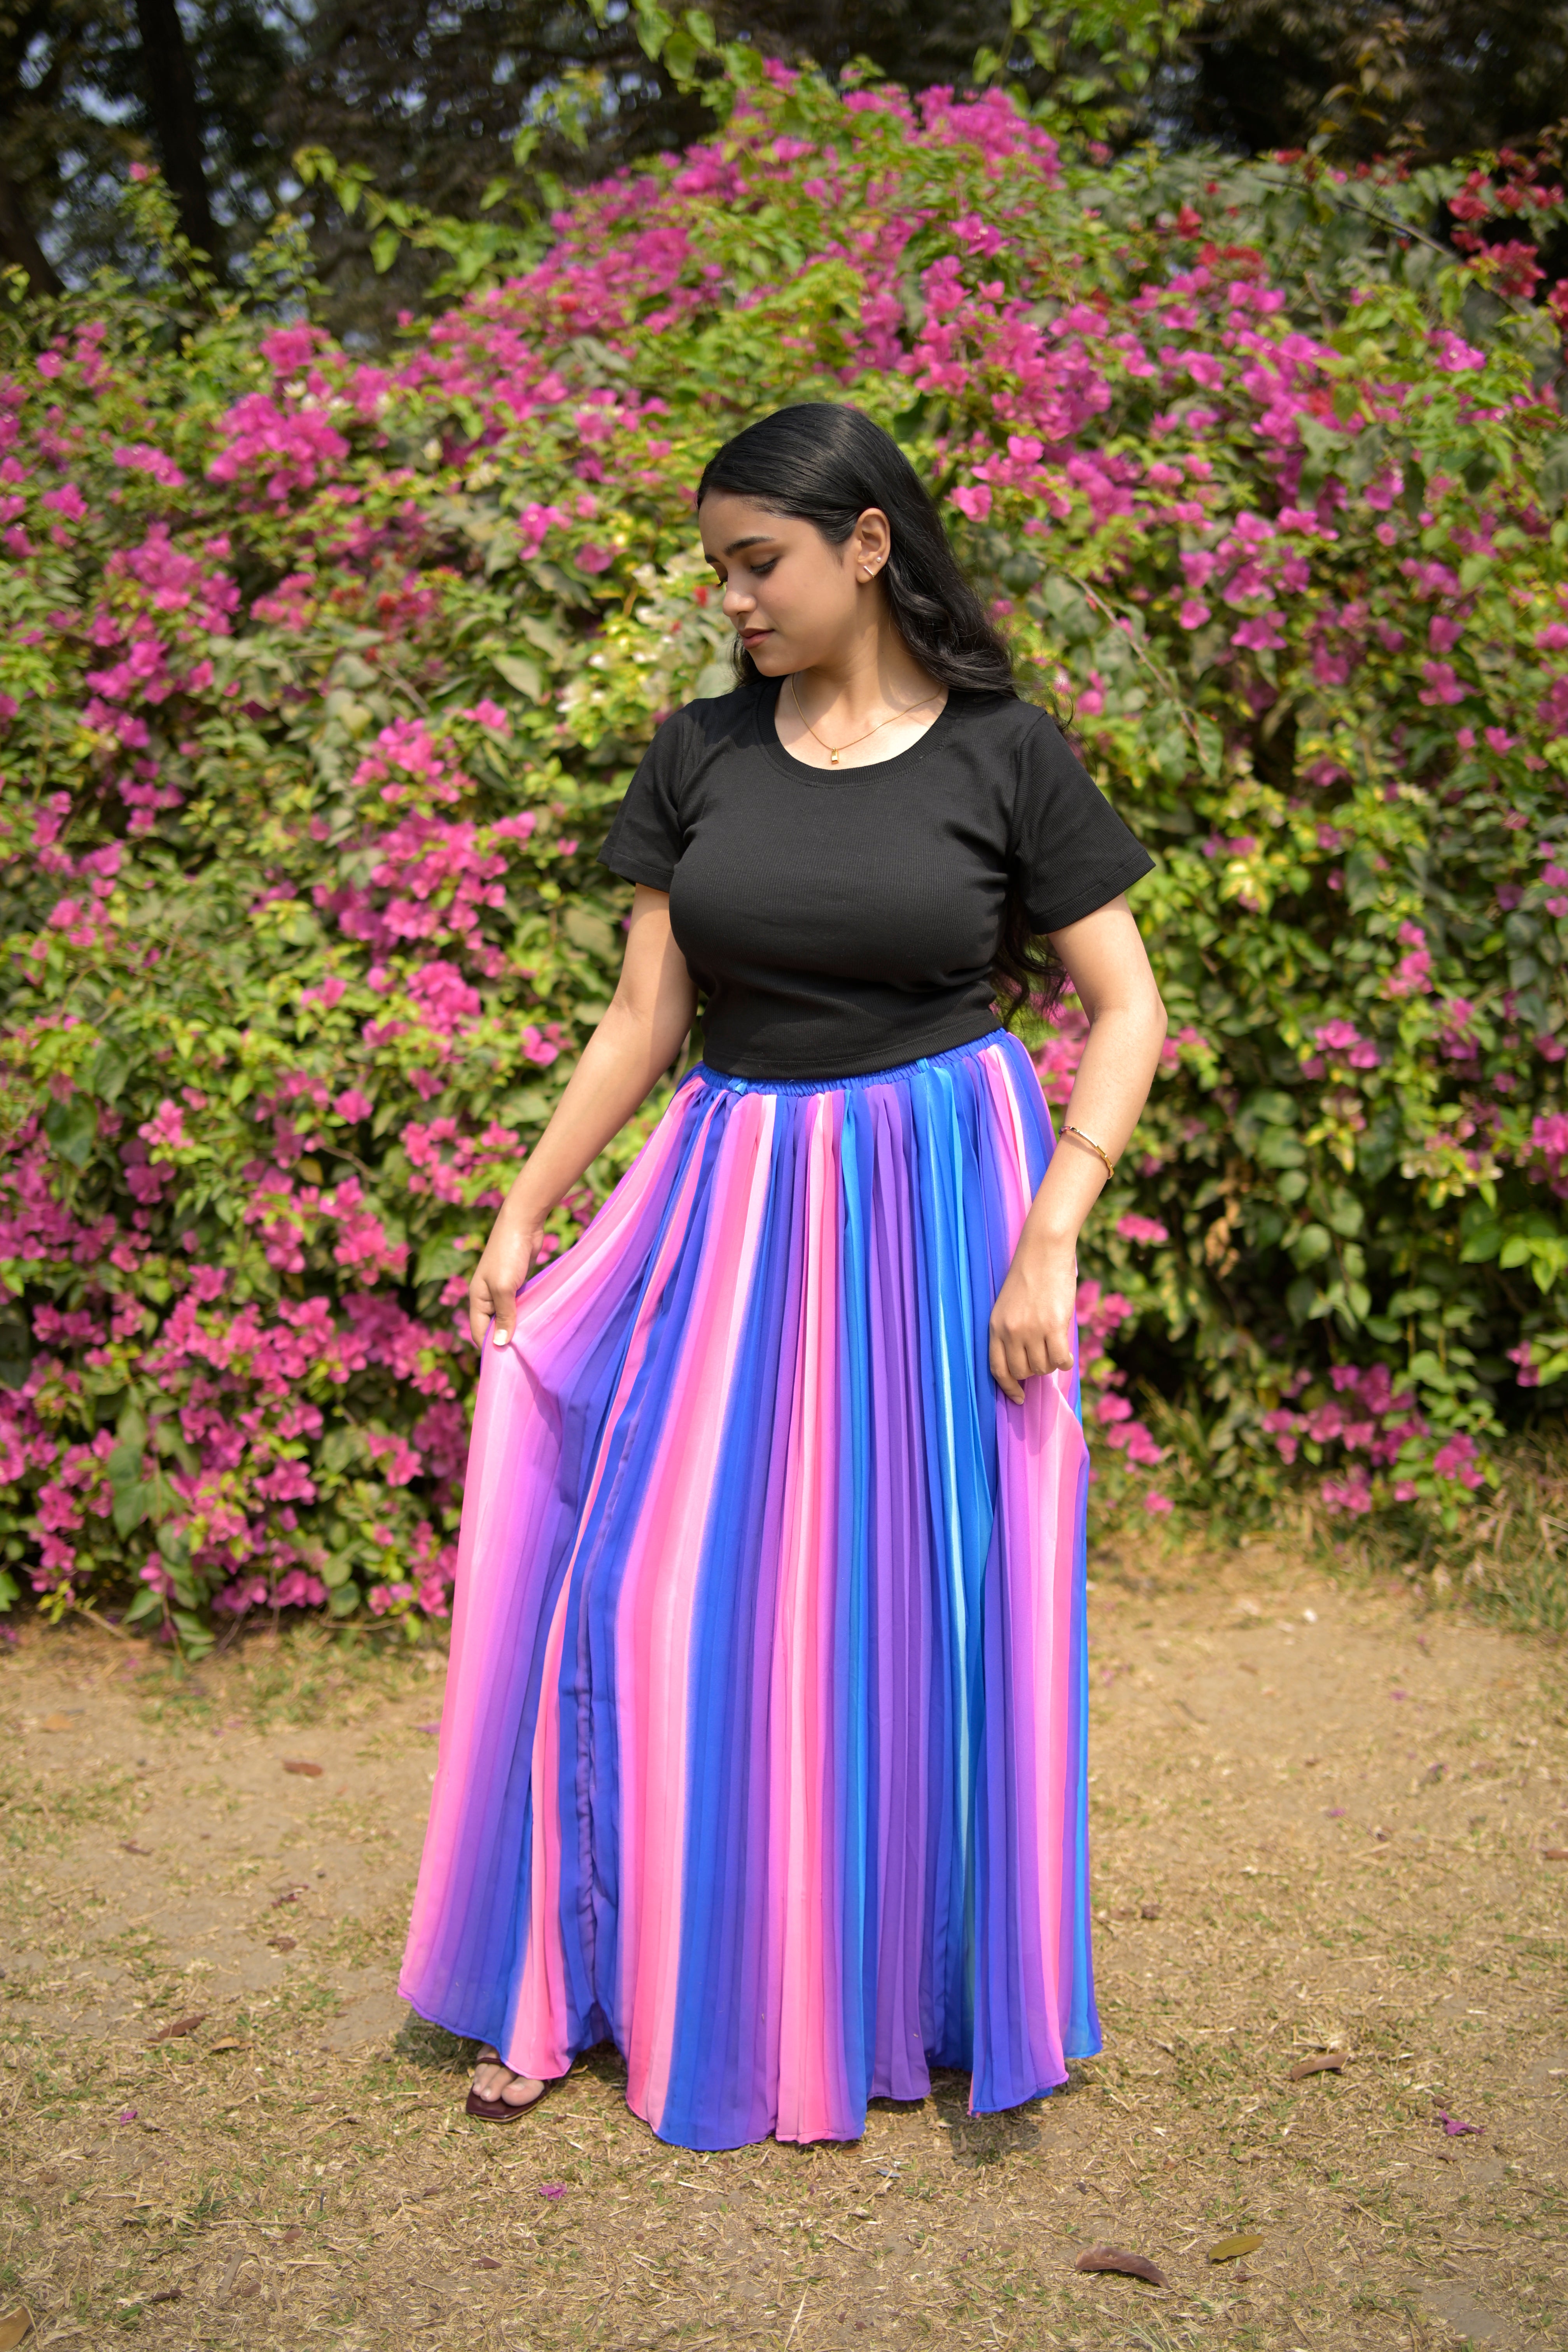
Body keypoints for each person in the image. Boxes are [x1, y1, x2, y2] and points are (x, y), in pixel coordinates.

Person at [398, 402, 1167, 2152]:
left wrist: (1055, 1228)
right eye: (720, 569)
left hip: (944, 1199)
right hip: (733, 1192)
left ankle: (915, 1997)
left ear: (868, 546)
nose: (733, 599)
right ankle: (591, 1979)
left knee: (927, 1624)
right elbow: (644, 1017)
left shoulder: (1006, 754)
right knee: (640, 1593)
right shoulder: (699, 754)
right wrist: (530, 1205)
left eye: (761, 563)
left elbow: (1129, 1009)